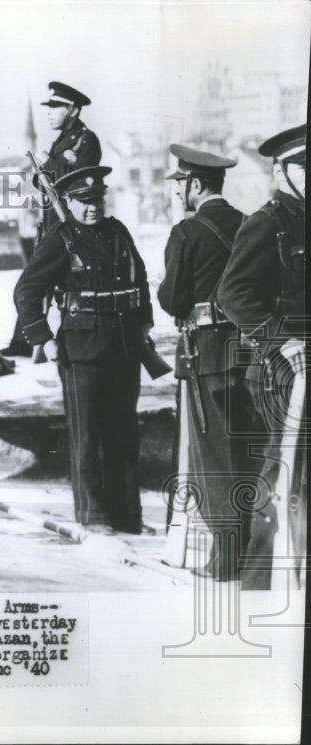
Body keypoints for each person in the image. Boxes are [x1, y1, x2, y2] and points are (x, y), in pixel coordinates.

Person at [13, 166, 154, 534]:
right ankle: (94, 516)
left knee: (124, 431)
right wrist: (43, 338)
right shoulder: (60, 239)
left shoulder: (118, 232)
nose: (93, 208)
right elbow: (26, 291)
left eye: (98, 200)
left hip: (125, 345)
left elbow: (138, 278)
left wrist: (145, 323)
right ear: (70, 202)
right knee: (87, 435)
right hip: (82, 349)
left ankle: (127, 515)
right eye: (85, 202)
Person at [157, 144, 262, 581]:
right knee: (248, 450)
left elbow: (173, 299)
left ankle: (225, 558)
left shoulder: (187, 232)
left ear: (194, 185)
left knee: (214, 456)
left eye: (180, 184)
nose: (178, 192)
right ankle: (257, 550)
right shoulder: (247, 224)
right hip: (248, 351)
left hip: (206, 355)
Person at [217, 123, 306, 590]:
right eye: (306, 169)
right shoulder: (268, 223)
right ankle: (256, 583)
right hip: (282, 370)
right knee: (281, 474)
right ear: (281, 171)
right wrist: (282, 342)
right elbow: (233, 294)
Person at [1, 82, 101, 357]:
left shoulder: (85, 140)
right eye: (49, 107)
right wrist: (54, 163)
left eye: (56, 107)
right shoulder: (63, 142)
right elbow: (44, 180)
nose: (50, 113)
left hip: (70, 226)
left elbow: (82, 182)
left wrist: (55, 164)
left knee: (44, 282)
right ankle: (25, 341)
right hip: (52, 224)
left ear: (73, 110)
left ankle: (35, 342)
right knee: (36, 281)